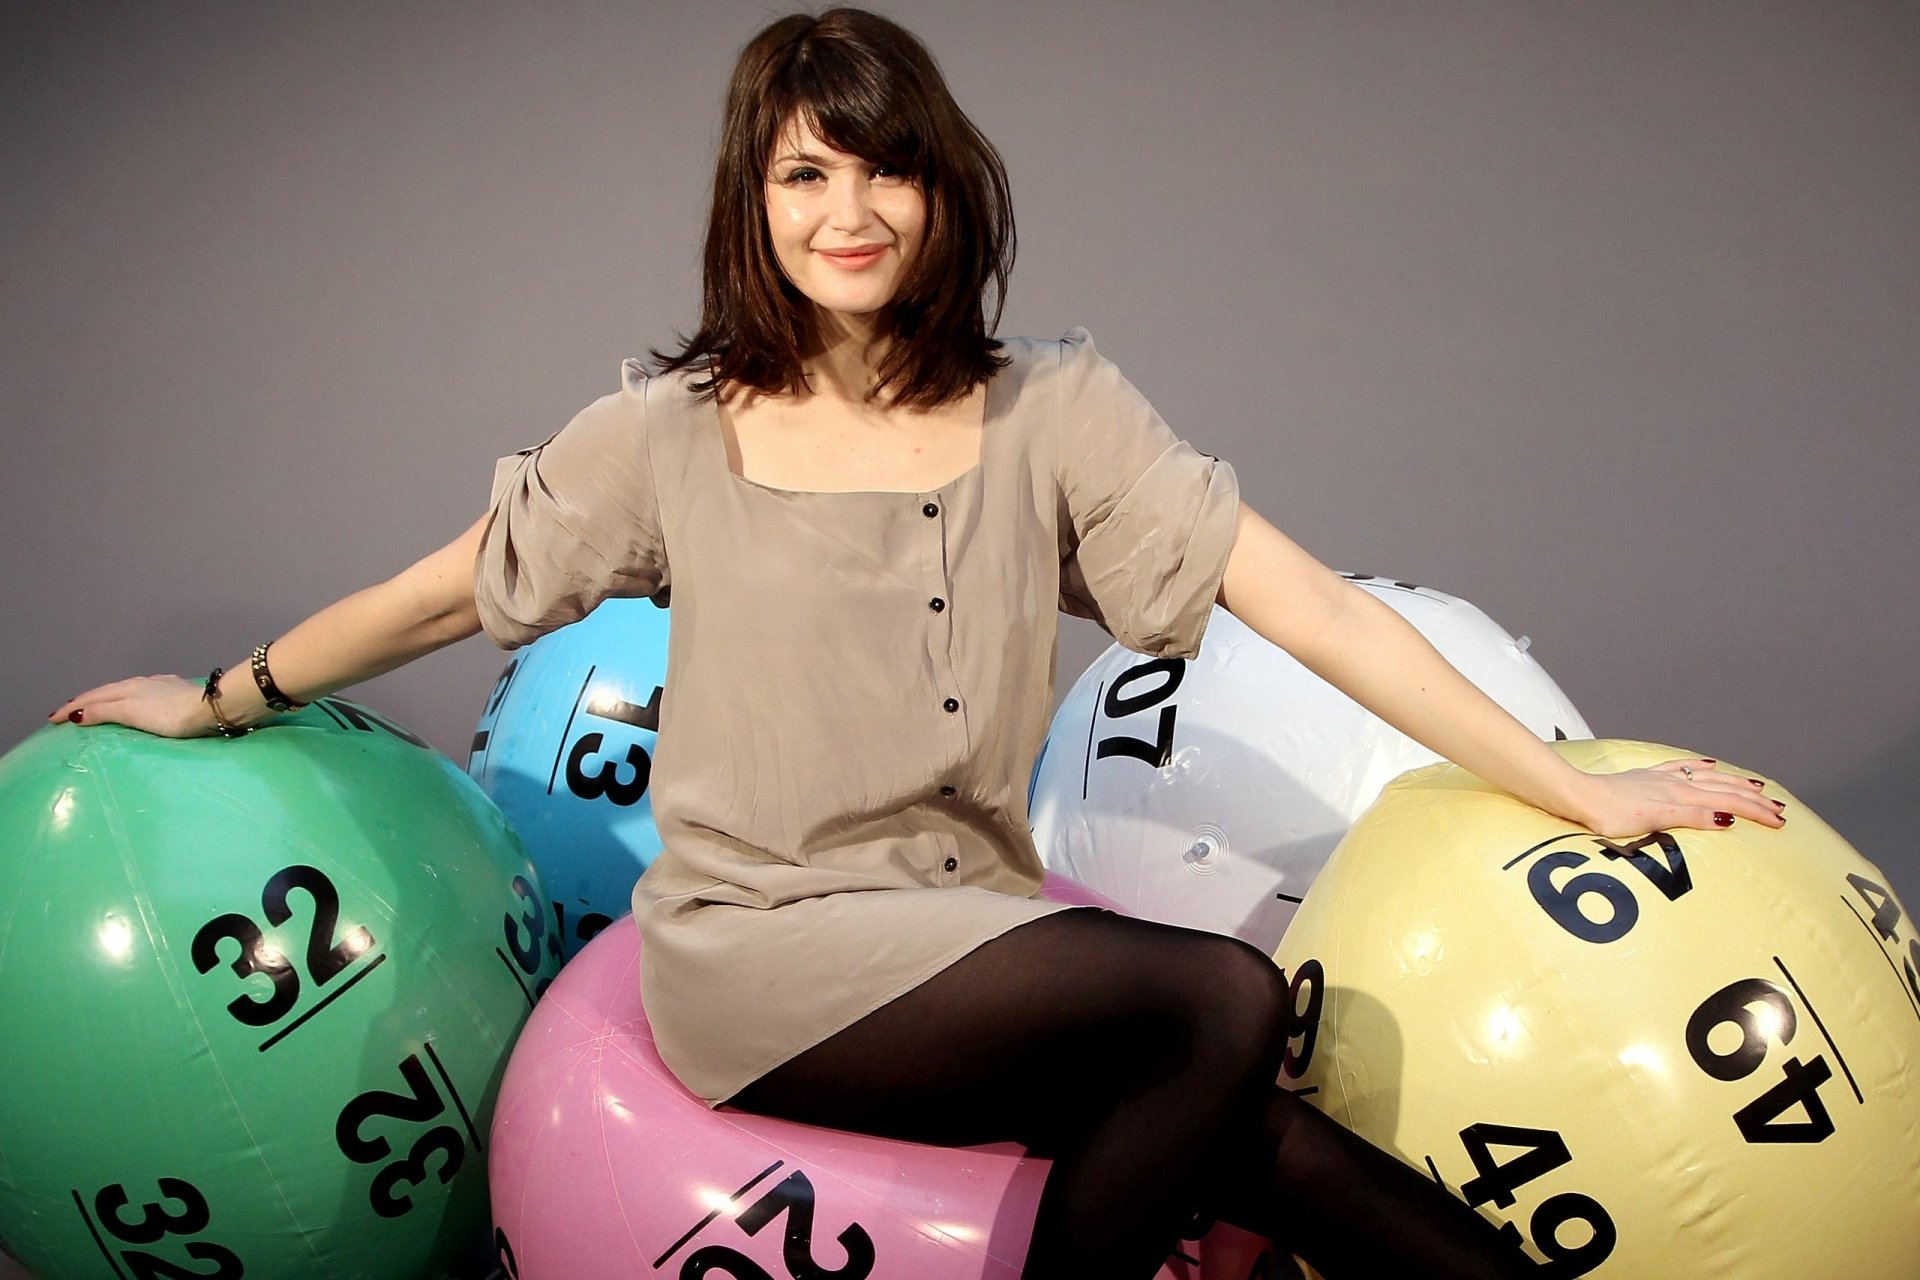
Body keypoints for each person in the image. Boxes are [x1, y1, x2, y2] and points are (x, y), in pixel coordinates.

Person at [50, 9, 1786, 1278]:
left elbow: (1315, 605)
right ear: (754, 201)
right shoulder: (673, 433)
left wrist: (1577, 790)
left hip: (971, 925)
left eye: (884, 165)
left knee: (1254, 1135)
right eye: (806, 172)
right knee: (1224, 1000)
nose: (850, 209)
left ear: (945, 186)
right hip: (760, 950)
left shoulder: (1057, 411)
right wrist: (222, 698)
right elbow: (449, 587)